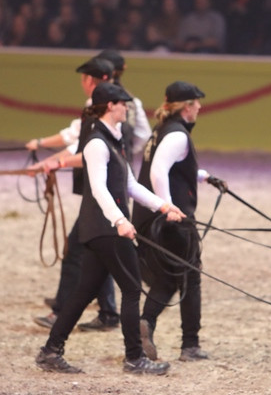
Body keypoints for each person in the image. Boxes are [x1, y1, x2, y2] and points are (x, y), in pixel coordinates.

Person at [35, 82, 185, 375]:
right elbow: (99, 189)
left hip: (104, 229)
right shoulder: (96, 143)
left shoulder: (115, 141)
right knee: (131, 290)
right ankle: (134, 358)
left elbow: (129, 185)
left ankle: (50, 351)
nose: (127, 107)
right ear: (109, 106)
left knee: (83, 292)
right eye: (122, 103)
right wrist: (120, 220)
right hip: (106, 229)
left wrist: (164, 207)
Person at [132, 81, 227, 363]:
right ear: (186, 107)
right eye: (196, 102)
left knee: (169, 277)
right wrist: (168, 206)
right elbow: (160, 171)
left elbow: (175, 164)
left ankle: (146, 322)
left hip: (147, 215)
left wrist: (205, 177)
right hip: (170, 219)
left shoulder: (162, 131)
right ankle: (190, 345)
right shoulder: (178, 135)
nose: (200, 107)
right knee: (190, 277)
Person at [27, 56, 120, 331]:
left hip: (101, 191)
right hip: (103, 188)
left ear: (90, 80)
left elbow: (80, 147)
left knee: (77, 249)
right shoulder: (109, 107)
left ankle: (62, 311)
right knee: (97, 249)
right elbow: (77, 142)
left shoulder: (98, 108)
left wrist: (52, 162)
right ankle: (108, 312)